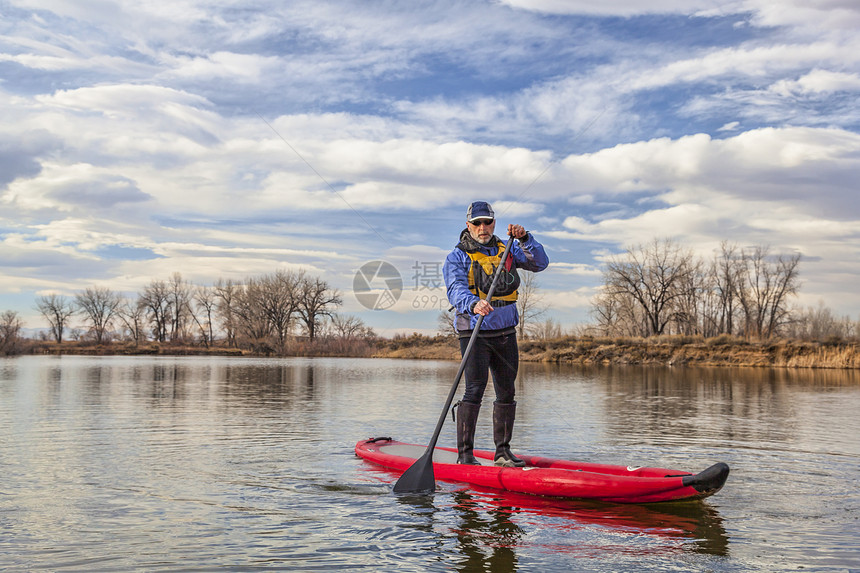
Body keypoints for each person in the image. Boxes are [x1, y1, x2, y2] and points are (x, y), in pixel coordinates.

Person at [443, 200, 549, 466]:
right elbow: (455, 288)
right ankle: (465, 456)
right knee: (475, 390)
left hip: (505, 331)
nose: (482, 227)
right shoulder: (457, 256)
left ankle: (502, 452)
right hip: (474, 332)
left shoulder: (509, 248)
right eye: (476, 223)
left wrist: (525, 238)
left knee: (506, 391)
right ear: (468, 225)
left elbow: (540, 263)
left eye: (487, 222)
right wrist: (473, 303)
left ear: (494, 223)